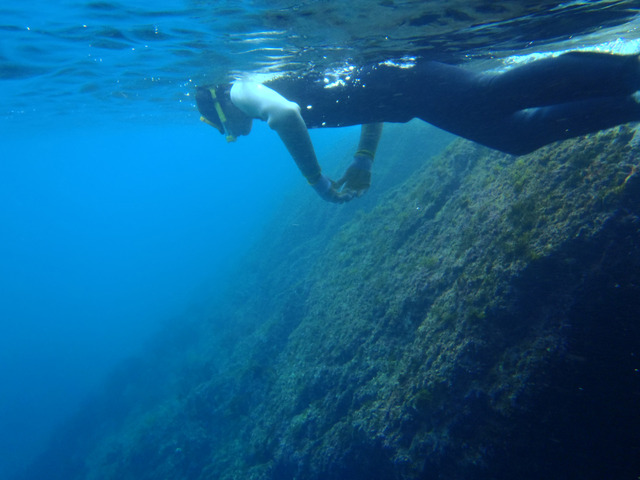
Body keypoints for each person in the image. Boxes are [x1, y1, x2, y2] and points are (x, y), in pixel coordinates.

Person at [196, 51, 640, 203]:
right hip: (408, 95)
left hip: (411, 81)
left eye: (219, 129)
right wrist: (364, 157)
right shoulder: (265, 89)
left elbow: (287, 115)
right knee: (515, 136)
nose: (228, 133)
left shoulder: (238, 90)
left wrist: (317, 183)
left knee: (493, 93)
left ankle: (630, 72)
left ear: (217, 107)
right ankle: (631, 102)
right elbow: (361, 96)